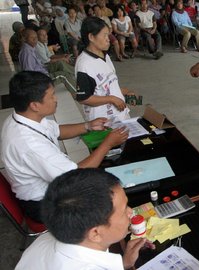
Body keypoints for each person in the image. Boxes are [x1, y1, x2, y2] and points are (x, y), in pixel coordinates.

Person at [16, 168, 199, 270]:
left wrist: (125, 264)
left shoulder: (50, 238)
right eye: (124, 211)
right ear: (95, 232)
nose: (132, 213)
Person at [1, 71, 128, 223]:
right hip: (44, 205)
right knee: (110, 197)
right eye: (52, 96)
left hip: (50, 187)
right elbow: (75, 177)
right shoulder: (29, 145)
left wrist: (88, 125)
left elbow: (57, 131)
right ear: (34, 105)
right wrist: (108, 143)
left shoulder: (23, 116)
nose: (56, 99)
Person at [75, 17, 135, 122]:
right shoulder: (84, 65)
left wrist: (124, 92)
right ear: (91, 37)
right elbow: (84, 98)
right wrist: (112, 99)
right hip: (103, 122)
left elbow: (105, 86)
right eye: (105, 35)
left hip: (120, 115)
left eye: (108, 34)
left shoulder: (105, 56)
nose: (109, 39)